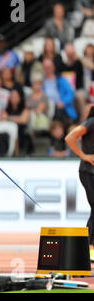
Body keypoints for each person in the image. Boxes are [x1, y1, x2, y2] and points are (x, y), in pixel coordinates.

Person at [65, 105, 94, 261]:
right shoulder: (91, 122)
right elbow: (70, 137)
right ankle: (86, 250)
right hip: (88, 171)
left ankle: (88, 250)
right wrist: (83, 155)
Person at [42, 58, 78, 128]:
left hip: (61, 108)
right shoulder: (42, 82)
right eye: (45, 68)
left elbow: (70, 93)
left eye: (49, 67)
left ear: (53, 67)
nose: (47, 70)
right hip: (47, 108)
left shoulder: (61, 79)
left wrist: (63, 102)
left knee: (58, 112)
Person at [2, 88, 33, 156]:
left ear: (20, 97)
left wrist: (9, 118)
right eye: (12, 97)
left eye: (16, 96)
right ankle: (8, 153)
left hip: (22, 133)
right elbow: (3, 118)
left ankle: (18, 154)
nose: (14, 99)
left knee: (18, 129)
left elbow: (23, 120)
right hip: (9, 134)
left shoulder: (25, 107)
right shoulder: (7, 108)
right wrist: (17, 119)